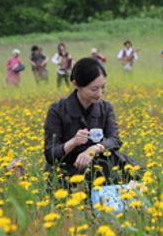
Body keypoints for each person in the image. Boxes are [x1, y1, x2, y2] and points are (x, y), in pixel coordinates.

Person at [44, 58, 125, 190]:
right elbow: (50, 154)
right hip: (67, 172)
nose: (99, 94)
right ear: (76, 84)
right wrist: (73, 142)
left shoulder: (106, 108)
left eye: (103, 87)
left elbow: (115, 140)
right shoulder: (57, 110)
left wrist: (93, 149)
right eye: (94, 89)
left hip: (100, 168)